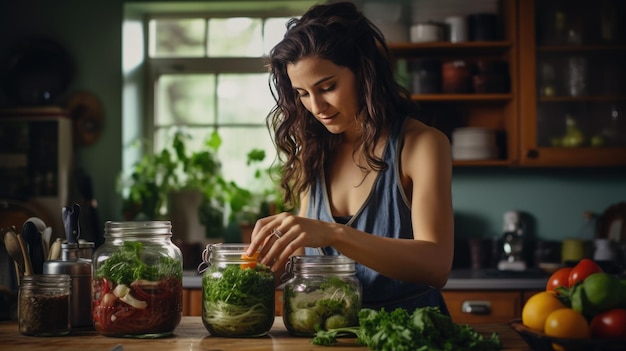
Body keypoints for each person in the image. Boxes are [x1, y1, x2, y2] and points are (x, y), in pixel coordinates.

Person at [246, 1, 454, 314]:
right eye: (302, 93)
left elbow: (436, 267)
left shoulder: (422, 145)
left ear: (363, 72)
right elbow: (303, 258)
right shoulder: (312, 153)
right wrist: (252, 272)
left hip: (408, 334)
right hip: (326, 334)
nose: (316, 106)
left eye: (327, 87)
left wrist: (332, 233)